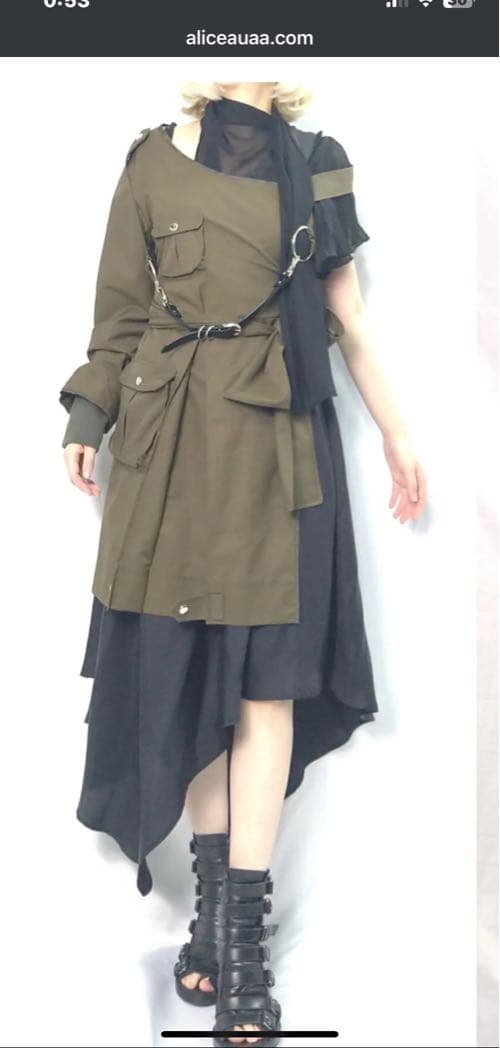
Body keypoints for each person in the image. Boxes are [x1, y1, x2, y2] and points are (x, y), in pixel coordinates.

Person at [60, 81, 427, 1047]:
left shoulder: (316, 161)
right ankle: (217, 930)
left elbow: (347, 315)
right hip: (169, 453)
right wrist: (88, 413)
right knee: (191, 687)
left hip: (277, 452)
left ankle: (242, 954)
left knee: (266, 690)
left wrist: (398, 433)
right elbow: (120, 312)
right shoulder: (150, 160)